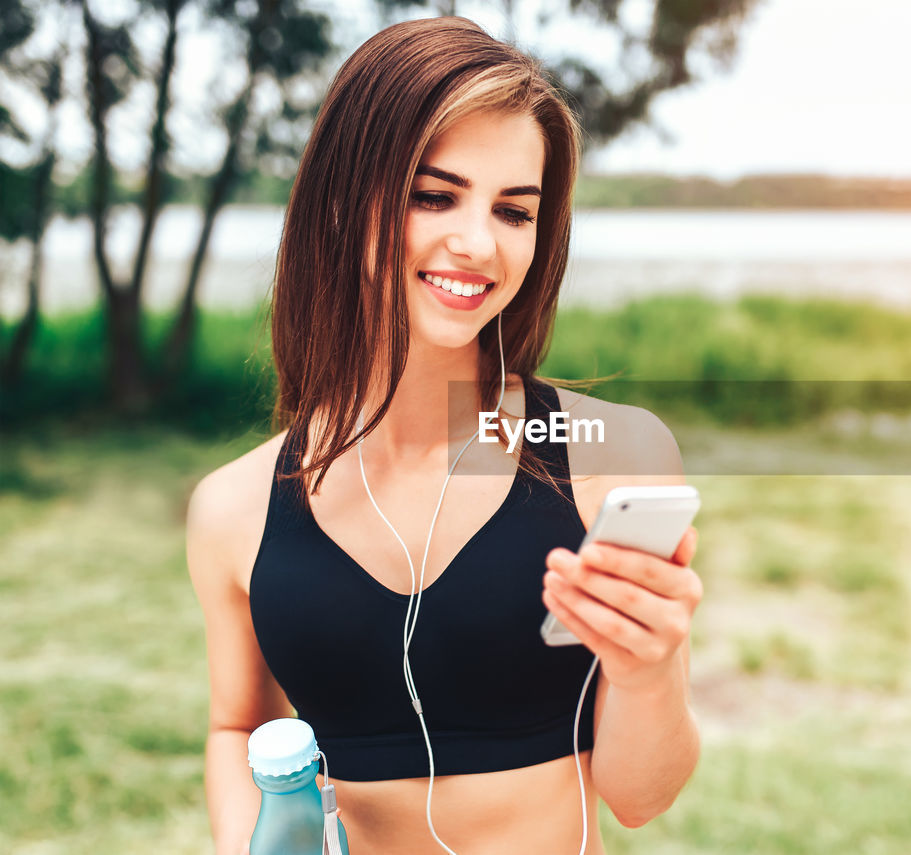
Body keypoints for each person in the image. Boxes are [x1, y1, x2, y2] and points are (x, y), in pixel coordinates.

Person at [185, 16, 703, 855]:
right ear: (345, 197)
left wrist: (649, 667)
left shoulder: (615, 456)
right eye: (434, 195)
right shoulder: (232, 508)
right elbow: (235, 727)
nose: (477, 243)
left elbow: (641, 798)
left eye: (514, 210)